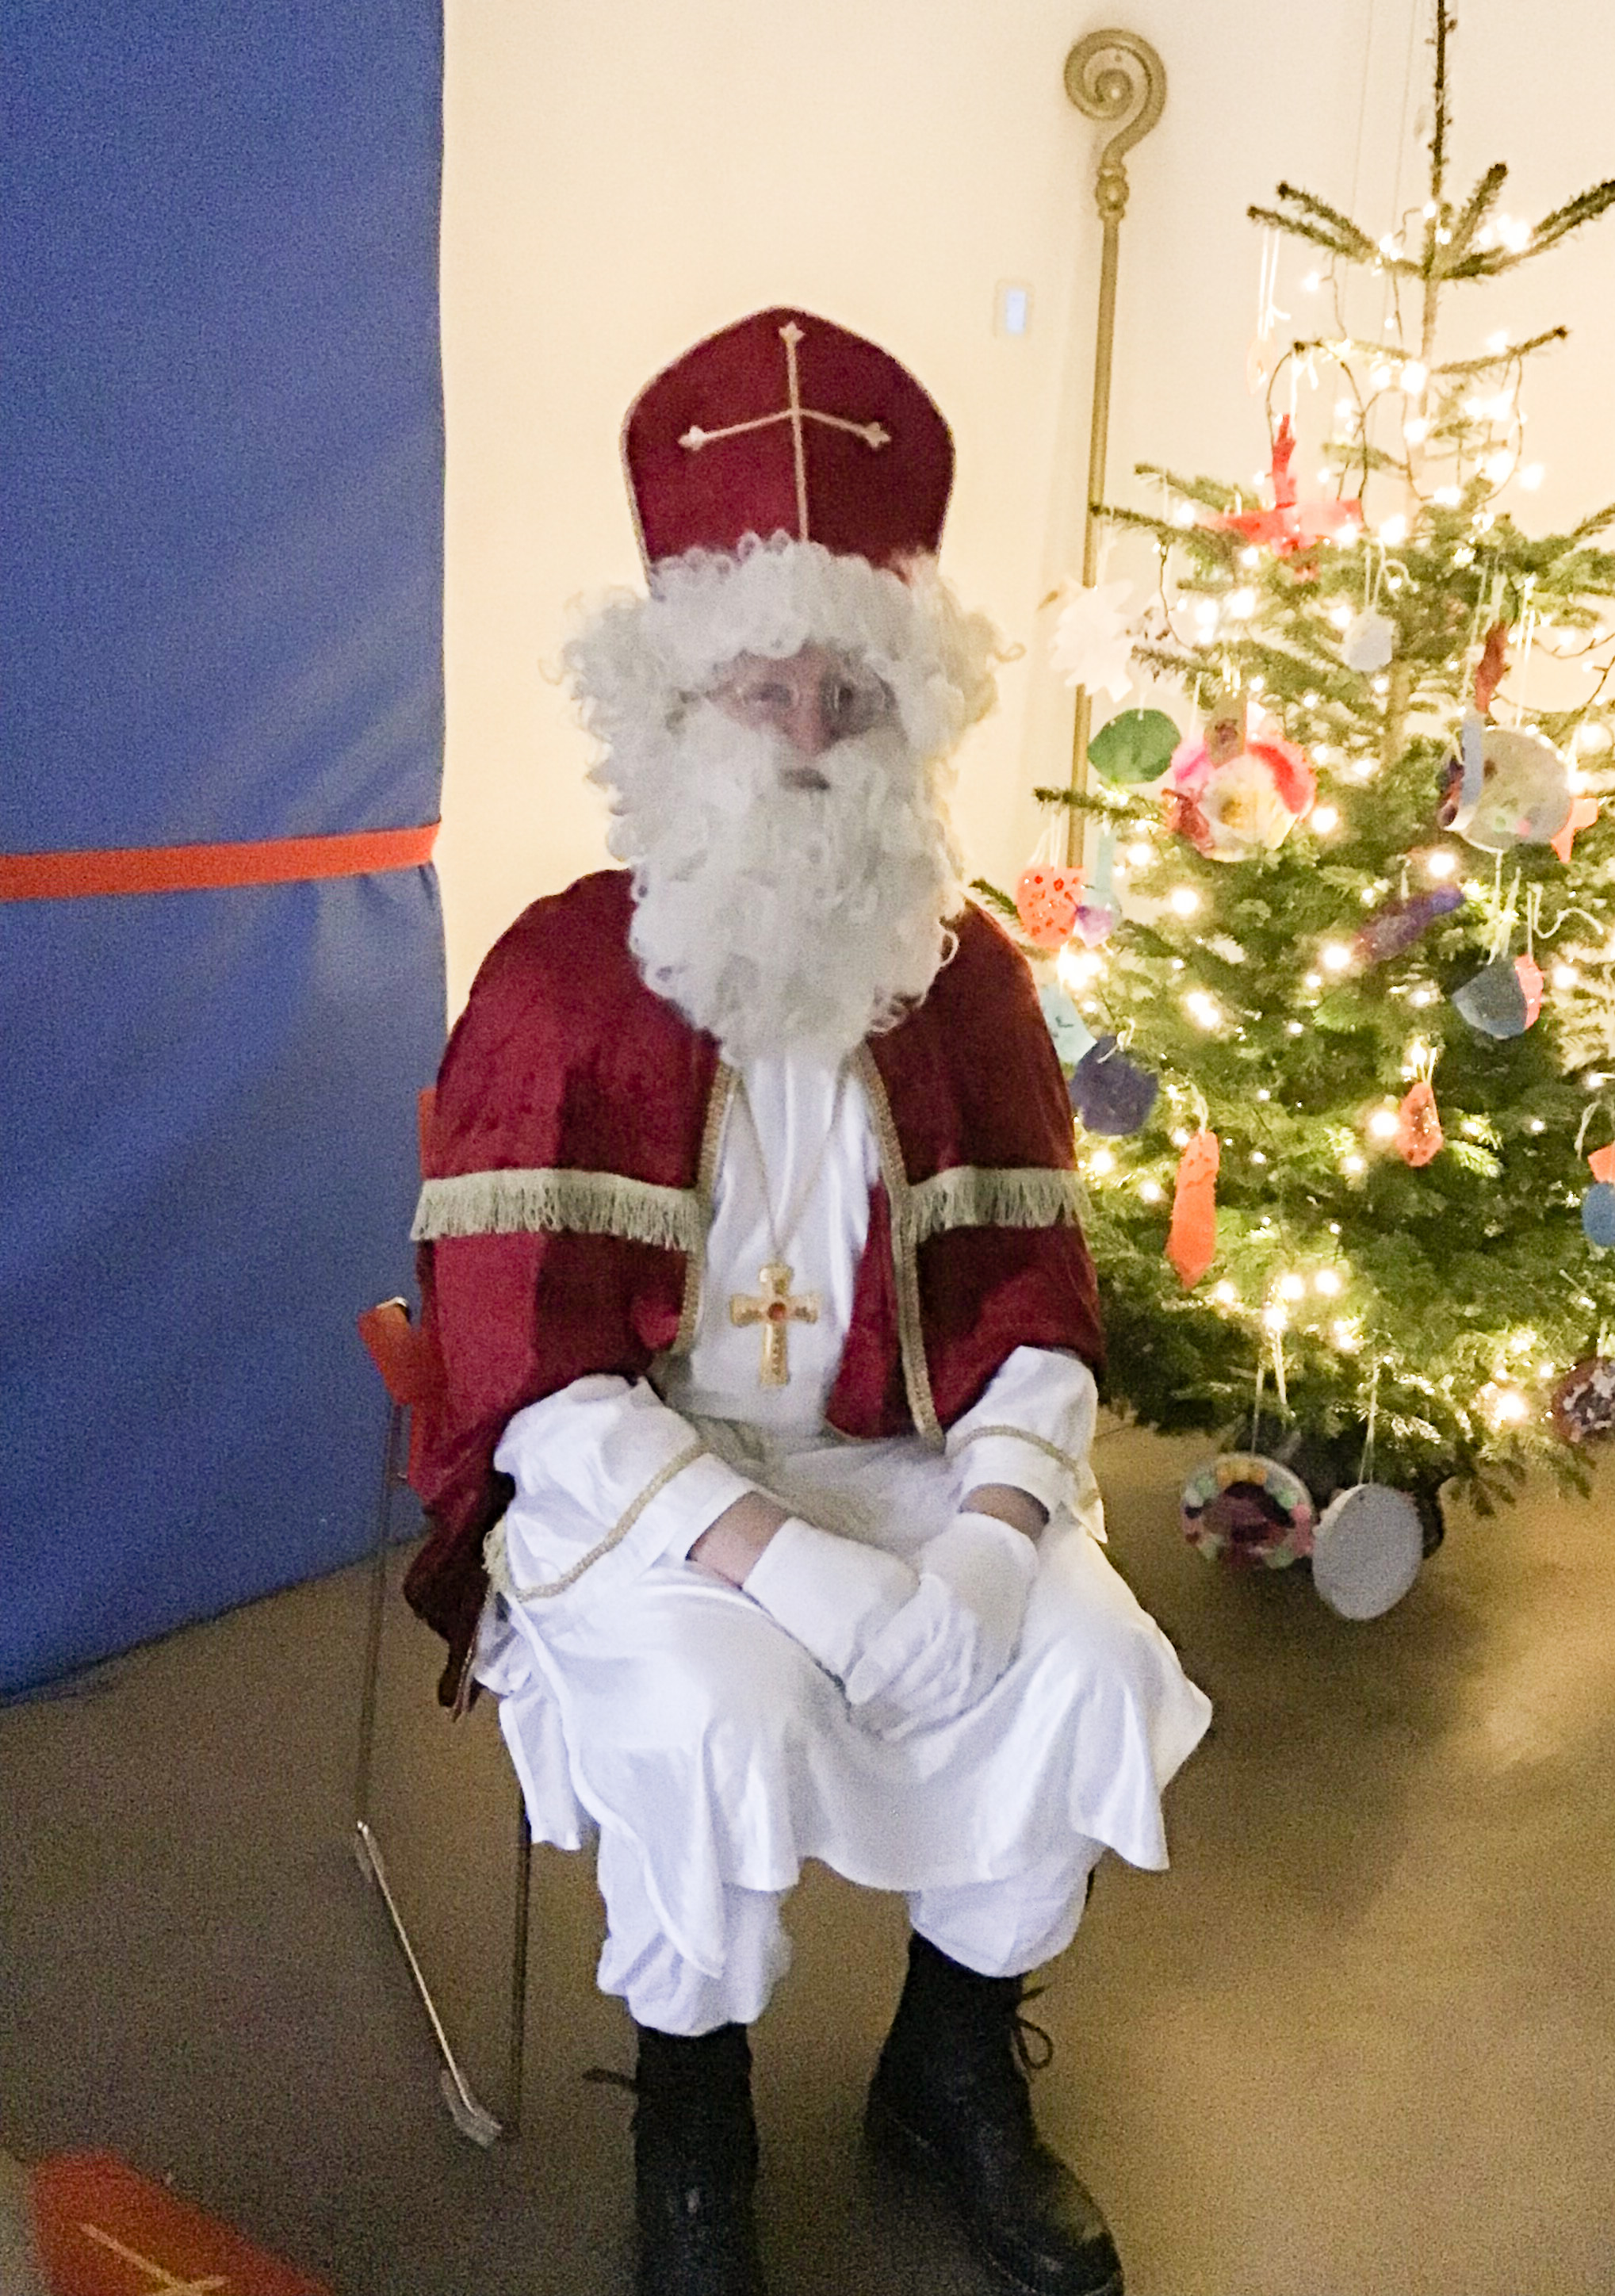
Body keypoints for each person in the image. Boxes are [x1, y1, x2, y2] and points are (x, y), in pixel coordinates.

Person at [404, 308, 1211, 2296]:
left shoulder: (967, 976)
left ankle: (950, 2068)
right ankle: (695, 2119)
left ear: (908, 716)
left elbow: (1034, 1299)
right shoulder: (560, 981)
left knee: (1085, 1664)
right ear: (667, 706)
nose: (804, 734)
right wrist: (781, 1564)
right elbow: (527, 1373)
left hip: (908, 1463)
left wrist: (997, 1539)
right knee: (722, 1705)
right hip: (651, 1498)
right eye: (759, 687)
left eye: (848, 691)